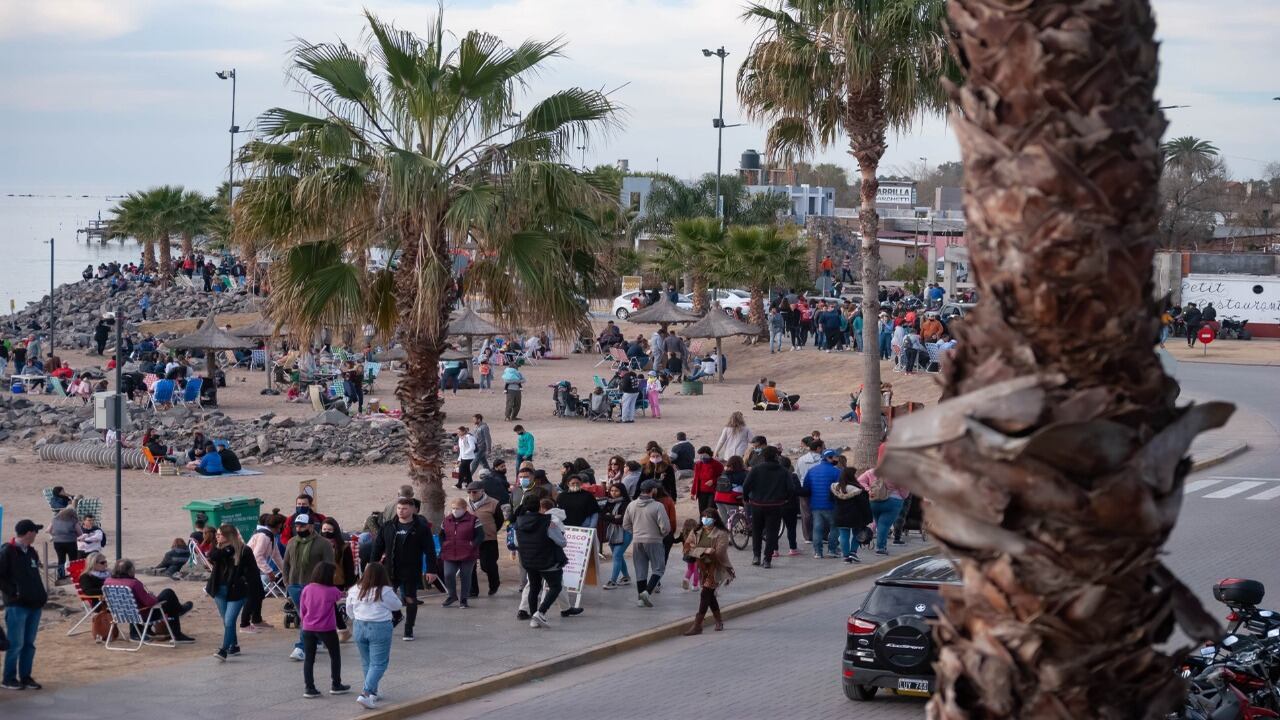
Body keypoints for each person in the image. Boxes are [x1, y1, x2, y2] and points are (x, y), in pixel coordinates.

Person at [372, 499, 438, 641]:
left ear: (413, 509)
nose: (401, 511)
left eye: (405, 509)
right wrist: (371, 565)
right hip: (390, 570)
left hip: (411, 570)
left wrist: (431, 570)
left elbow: (430, 550)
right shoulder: (388, 526)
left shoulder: (421, 527)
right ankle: (396, 616)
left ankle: (409, 628)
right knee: (384, 597)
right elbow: (378, 547)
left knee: (410, 599)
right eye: (399, 508)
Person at [1, 519, 50, 689]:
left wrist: (41, 596)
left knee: (29, 644)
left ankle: (25, 676)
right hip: (17, 605)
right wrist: (13, 592)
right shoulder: (8, 551)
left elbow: (35, 575)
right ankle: (8, 678)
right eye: (35, 531)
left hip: (34, 604)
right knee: (15, 644)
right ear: (29, 533)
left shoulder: (31, 552)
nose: (36, 534)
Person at [346, 562, 402, 710]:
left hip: (359, 625)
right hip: (379, 627)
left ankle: (373, 691)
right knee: (379, 663)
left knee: (367, 661)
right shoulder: (385, 590)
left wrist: (356, 618)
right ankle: (365, 693)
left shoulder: (354, 589)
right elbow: (397, 606)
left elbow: (349, 610)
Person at [103, 558, 196, 643]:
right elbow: (150, 603)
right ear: (130, 571)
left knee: (133, 604)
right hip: (143, 615)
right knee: (168, 594)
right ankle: (177, 632)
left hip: (121, 614)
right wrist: (151, 596)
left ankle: (135, 634)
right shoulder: (134, 584)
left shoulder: (108, 582)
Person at [283, 514, 335, 659]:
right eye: (297, 526)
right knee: (303, 615)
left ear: (311, 527)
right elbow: (286, 563)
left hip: (314, 587)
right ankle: (315, 639)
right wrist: (287, 583)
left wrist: (324, 586)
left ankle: (302, 647)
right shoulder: (292, 542)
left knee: (306, 616)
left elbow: (329, 565)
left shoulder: (323, 544)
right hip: (295, 585)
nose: (299, 528)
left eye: (302, 526)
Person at [205, 524, 258, 661]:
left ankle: (223, 650)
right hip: (219, 590)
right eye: (216, 534)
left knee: (229, 620)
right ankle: (233, 645)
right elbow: (212, 555)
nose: (217, 536)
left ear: (228, 536)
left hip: (237, 591)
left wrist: (253, 592)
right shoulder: (220, 549)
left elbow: (253, 572)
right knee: (226, 620)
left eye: (219, 534)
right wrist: (225, 548)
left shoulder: (244, 550)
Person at [515, 496, 568, 628]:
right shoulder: (548, 522)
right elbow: (562, 542)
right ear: (539, 507)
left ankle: (534, 617)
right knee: (555, 586)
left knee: (534, 587)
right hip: (547, 560)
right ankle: (541, 612)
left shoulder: (519, 522)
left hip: (529, 561)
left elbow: (516, 542)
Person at [299, 562, 350, 698]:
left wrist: (304, 623)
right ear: (328, 575)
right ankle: (336, 684)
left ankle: (309, 688)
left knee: (309, 659)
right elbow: (341, 596)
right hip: (326, 629)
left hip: (308, 628)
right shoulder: (331, 591)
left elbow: (302, 610)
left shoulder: (307, 589)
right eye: (333, 574)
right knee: (335, 656)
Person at [682, 507, 734, 635]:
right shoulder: (696, 531)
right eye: (704, 517)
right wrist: (704, 550)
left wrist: (698, 550)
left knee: (705, 593)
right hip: (702, 568)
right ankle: (719, 621)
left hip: (715, 568)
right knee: (709, 596)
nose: (706, 520)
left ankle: (698, 625)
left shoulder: (722, 533)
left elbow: (719, 552)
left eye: (709, 517)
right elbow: (687, 548)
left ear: (715, 519)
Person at [622, 481, 671, 608]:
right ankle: (647, 592)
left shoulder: (631, 505)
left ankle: (640, 600)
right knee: (659, 568)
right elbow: (665, 527)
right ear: (652, 490)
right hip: (654, 541)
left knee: (640, 569)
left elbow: (625, 524)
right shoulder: (658, 506)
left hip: (637, 540)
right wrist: (660, 535)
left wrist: (636, 532)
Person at [742, 446, 792, 568]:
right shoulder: (784, 471)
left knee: (757, 531)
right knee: (772, 533)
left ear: (763, 456)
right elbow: (790, 489)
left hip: (757, 504)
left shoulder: (756, 469)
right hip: (775, 505)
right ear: (776, 456)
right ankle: (767, 559)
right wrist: (785, 499)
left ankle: (756, 556)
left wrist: (746, 498)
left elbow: (746, 485)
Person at [857, 447, 905, 555]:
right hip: (893, 501)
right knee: (884, 524)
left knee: (878, 523)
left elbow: (859, 481)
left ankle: (873, 539)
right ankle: (880, 547)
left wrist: (868, 489)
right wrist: (902, 497)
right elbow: (904, 489)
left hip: (874, 500)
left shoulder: (871, 472)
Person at [439, 498, 483, 609]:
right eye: (453, 508)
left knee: (465, 576)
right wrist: (443, 545)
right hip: (449, 552)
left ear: (464, 508)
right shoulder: (446, 520)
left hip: (468, 554)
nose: (455, 511)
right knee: (448, 574)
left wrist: (472, 545)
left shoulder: (474, 520)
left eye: (457, 508)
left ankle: (464, 599)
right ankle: (452, 596)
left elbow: (480, 535)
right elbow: (441, 534)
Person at [244, 513, 285, 631]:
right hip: (248, 568)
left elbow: (276, 556)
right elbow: (257, 556)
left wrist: (285, 572)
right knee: (253, 596)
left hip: (254, 567)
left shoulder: (270, 536)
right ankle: (245, 623)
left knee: (259, 594)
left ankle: (256, 619)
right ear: (278, 525)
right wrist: (269, 572)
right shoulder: (264, 536)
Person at [320, 518, 357, 639]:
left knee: (329, 605)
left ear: (335, 530)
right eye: (324, 529)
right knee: (327, 606)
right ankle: (341, 629)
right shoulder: (317, 544)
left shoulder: (343, 547)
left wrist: (350, 584)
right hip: (319, 579)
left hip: (336, 580)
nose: (326, 532)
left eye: (329, 530)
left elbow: (349, 567)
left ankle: (340, 629)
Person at [802, 449, 842, 559]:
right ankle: (832, 550)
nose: (837, 459)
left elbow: (806, 487)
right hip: (831, 505)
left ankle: (818, 552)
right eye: (835, 457)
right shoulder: (837, 472)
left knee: (817, 528)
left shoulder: (812, 471)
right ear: (829, 458)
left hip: (815, 505)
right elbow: (840, 489)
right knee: (834, 527)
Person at [466, 481, 503, 597]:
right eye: (469, 492)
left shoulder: (493, 503)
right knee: (470, 565)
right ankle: (473, 590)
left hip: (488, 539)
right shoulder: (464, 503)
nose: (472, 494)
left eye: (474, 492)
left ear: (482, 491)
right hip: (470, 539)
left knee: (487, 565)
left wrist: (491, 530)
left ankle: (494, 584)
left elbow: (499, 520)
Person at [833, 466, 871, 563]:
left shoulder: (835, 488)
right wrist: (868, 518)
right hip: (855, 517)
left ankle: (846, 557)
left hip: (839, 515)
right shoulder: (858, 490)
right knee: (857, 534)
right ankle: (853, 552)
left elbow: (831, 501)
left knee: (843, 535)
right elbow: (864, 505)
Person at [601, 483, 632, 589]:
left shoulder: (627, 504)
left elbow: (622, 520)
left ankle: (613, 581)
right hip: (612, 532)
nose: (613, 493)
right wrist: (613, 517)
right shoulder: (609, 502)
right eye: (612, 491)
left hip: (625, 532)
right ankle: (626, 577)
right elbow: (603, 515)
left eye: (616, 491)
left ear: (622, 492)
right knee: (618, 555)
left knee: (616, 555)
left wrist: (610, 516)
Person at [691, 446, 724, 514]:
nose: (702, 458)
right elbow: (696, 479)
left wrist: (713, 480)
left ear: (709, 455)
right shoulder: (698, 464)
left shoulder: (717, 464)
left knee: (711, 510)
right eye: (700, 456)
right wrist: (693, 492)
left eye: (704, 456)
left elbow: (723, 477)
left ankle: (712, 523)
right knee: (702, 510)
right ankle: (702, 523)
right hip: (701, 492)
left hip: (713, 491)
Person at [49, 508, 79, 580]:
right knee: (73, 560)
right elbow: (80, 533)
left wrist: (54, 536)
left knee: (61, 559)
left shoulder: (54, 520)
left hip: (57, 542)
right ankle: (74, 575)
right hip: (70, 542)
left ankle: (61, 576)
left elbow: (49, 530)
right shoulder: (73, 521)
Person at [456, 425, 476, 490]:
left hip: (469, 457)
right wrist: (459, 458)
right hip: (463, 458)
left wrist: (466, 453)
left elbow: (472, 447)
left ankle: (459, 484)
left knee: (461, 470)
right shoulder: (460, 438)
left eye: (459, 432)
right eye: (457, 432)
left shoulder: (469, 437)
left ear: (463, 431)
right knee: (467, 472)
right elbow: (461, 450)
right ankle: (470, 484)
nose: (458, 433)